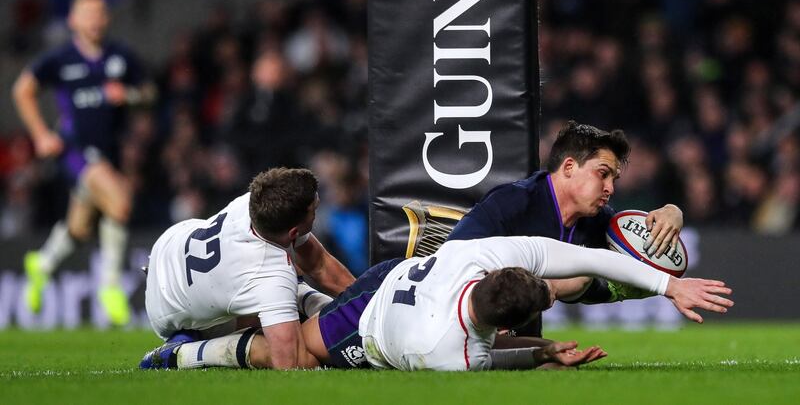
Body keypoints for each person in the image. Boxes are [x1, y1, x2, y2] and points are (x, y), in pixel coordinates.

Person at [141, 234, 732, 371]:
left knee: (293, 320)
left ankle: (256, 311)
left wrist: (663, 284)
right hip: (366, 327)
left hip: (388, 278)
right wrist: (544, 351)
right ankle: (181, 357)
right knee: (289, 355)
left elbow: (577, 257)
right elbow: (497, 353)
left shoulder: (472, 257)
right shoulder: (452, 353)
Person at [446, 120, 685, 336]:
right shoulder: (510, 204)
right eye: (603, 174)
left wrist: (673, 212)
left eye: (614, 179)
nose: (610, 188)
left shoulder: (599, 221)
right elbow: (452, 262)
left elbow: (592, 287)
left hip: (522, 340)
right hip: (464, 330)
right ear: (569, 167)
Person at [12, 0, 156, 325]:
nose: (95, 19)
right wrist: (40, 135)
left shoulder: (120, 56)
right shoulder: (60, 60)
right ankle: (109, 286)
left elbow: (150, 93)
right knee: (120, 202)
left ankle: (42, 264)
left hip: (110, 151)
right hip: (75, 149)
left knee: (80, 227)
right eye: (88, 13)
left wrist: (131, 95)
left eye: (101, 12)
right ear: (73, 20)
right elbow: (22, 90)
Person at [142, 167, 355, 370]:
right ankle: (181, 354)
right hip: (167, 312)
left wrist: (367, 303)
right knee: (266, 349)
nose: (318, 204)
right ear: (292, 232)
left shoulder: (255, 202)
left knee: (288, 286)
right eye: (314, 210)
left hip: (169, 245)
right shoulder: (269, 274)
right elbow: (292, 363)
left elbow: (319, 265)